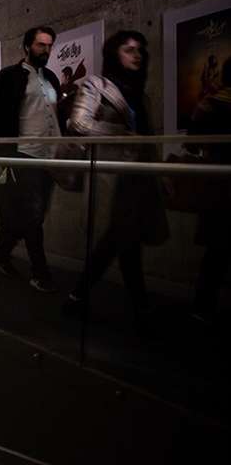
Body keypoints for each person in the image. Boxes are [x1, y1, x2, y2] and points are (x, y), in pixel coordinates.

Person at [66, 30, 169, 325]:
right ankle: (138, 307)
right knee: (120, 238)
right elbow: (79, 123)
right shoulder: (97, 84)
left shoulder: (142, 96)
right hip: (114, 174)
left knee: (123, 240)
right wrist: (122, 134)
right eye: (128, 49)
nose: (135, 54)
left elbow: (149, 140)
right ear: (114, 54)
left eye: (139, 50)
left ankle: (80, 297)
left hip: (139, 176)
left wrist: (161, 174)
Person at [0, 26, 62, 292]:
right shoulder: (9, 76)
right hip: (22, 154)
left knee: (33, 214)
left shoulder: (52, 79)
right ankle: (40, 272)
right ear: (26, 47)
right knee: (33, 215)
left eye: (49, 45)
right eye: (40, 45)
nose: (45, 50)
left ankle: (2, 250)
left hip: (50, 157)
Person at [187, 56, 231, 323]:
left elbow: (192, 143)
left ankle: (202, 308)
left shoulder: (210, 104)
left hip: (217, 183)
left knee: (217, 250)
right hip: (220, 183)